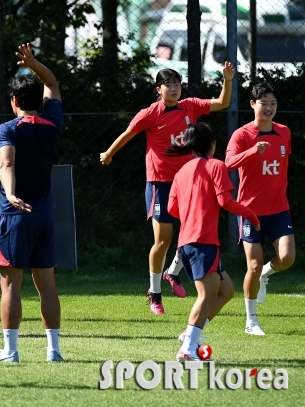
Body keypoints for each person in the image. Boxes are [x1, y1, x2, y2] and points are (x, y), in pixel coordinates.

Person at [100, 64, 235, 314]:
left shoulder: (190, 106)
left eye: (177, 84)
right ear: (158, 89)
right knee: (163, 241)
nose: (174, 89)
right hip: (160, 183)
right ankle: (154, 292)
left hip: (187, 182)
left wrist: (227, 80)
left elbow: (222, 103)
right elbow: (128, 133)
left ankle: (172, 273)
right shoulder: (150, 113)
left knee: (192, 233)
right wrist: (109, 153)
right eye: (169, 85)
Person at [0, 43, 63, 363]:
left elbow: (5, 164)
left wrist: (10, 192)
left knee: (10, 287)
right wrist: (33, 63)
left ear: (14, 101)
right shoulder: (53, 123)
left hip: (15, 215)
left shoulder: (7, 129)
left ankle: (11, 350)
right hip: (44, 214)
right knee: (47, 286)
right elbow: (53, 83)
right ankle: (54, 351)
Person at [167, 123, 259, 360]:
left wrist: (194, 210)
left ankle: (190, 334)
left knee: (226, 290)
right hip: (202, 242)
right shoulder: (216, 165)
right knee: (206, 296)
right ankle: (188, 348)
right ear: (213, 143)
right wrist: (250, 214)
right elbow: (226, 201)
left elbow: (171, 208)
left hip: (187, 243)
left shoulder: (181, 172)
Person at [225, 82, 295, 336]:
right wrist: (253, 152)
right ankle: (251, 320)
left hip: (278, 209)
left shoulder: (284, 132)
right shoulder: (242, 135)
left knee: (287, 258)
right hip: (250, 212)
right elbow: (228, 162)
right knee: (252, 265)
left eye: (273, 103)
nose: (269, 107)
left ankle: (266, 274)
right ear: (253, 104)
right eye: (263, 103)